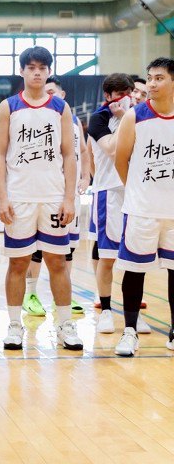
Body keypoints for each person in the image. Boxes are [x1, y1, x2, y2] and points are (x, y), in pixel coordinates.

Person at [0, 46, 81, 352]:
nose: (37, 73)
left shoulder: (60, 107)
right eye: (31, 68)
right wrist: (2, 197)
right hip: (19, 197)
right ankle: (14, 325)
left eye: (42, 68)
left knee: (58, 262)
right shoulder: (9, 106)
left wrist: (69, 198)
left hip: (53, 196)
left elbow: (69, 155)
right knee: (18, 263)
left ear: (49, 72)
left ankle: (65, 325)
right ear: (22, 71)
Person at [114, 57, 174, 356]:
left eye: (159, 78)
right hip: (142, 209)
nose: (151, 83)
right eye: (149, 77)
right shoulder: (134, 116)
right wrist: (137, 190)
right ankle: (129, 331)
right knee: (134, 271)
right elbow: (120, 159)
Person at [24, 76, 90, 316]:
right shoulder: (36, 119)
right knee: (37, 248)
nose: (48, 95)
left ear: (62, 95)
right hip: (46, 190)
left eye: (52, 92)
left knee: (67, 248)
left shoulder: (74, 121)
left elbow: (83, 151)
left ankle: (62, 297)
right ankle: (31, 295)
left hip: (70, 194)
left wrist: (85, 177)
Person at [85, 73, 141, 334]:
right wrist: (123, 118)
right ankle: (106, 310)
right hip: (108, 192)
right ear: (108, 96)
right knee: (107, 258)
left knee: (135, 259)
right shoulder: (100, 118)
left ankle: (133, 314)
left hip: (135, 193)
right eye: (119, 94)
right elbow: (111, 149)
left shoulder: (140, 116)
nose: (126, 98)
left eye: (129, 93)